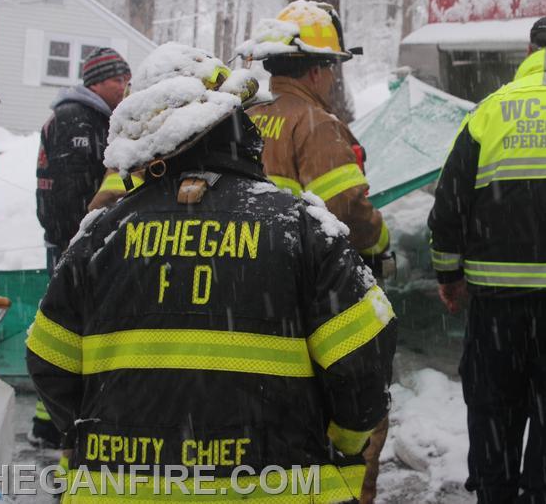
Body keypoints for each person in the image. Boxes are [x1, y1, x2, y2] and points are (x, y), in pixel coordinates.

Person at [26, 43, 397, 503]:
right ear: (236, 126)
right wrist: (341, 443)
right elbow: (364, 364)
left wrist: (109, 436)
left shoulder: (99, 236)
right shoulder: (301, 228)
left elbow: (48, 362)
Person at [428, 15, 546, 504]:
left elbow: (449, 205)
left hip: (498, 307)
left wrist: (449, 276)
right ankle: (543, 492)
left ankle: (495, 493)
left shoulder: (491, 110)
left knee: (494, 409)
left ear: (529, 51)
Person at [243, 0, 392, 504]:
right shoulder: (313, 122)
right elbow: (346, 209)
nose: (333, 79)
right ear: (315, 69)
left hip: (248, 296)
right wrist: (381, 239)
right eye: (332, 67)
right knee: (356, 419)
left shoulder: (243, 117)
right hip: (309, 297)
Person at [31, 46, 130, 448]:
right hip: (73, 244)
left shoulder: (84, 117)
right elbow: (72, 194)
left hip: (69, 243)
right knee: (74, 325)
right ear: (98, 82)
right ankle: (56, 424)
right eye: (118, 80)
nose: (125, 88)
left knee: (63, 325)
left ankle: (49, 418)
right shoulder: (79, 121)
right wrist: (84, 241)